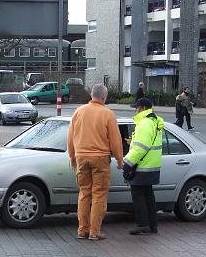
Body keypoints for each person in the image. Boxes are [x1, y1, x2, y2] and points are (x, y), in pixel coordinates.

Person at [67, 84, 124, 241]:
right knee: (99, 194)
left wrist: (73, 157)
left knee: (84, 193)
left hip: (81, 157)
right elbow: (115, 141)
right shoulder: (108, 114)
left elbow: (70, 138)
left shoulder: (78, 111)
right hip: (100, 158)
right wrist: (120, 159)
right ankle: (94, 231)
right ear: (104, 97)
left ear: (91, 95)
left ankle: (82, 230)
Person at [123, 97, 164, 235]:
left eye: (137, 107)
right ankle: (152, 225)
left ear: (143, 108)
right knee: (148, 196)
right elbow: (144, 143)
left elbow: (141, 148)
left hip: (143, 166)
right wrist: (131, 142)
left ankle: (142, 225)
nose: (135, 110)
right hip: (151, 165)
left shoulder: (145, 123)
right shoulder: (152, 121)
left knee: (138, 196)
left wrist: (126, 163)